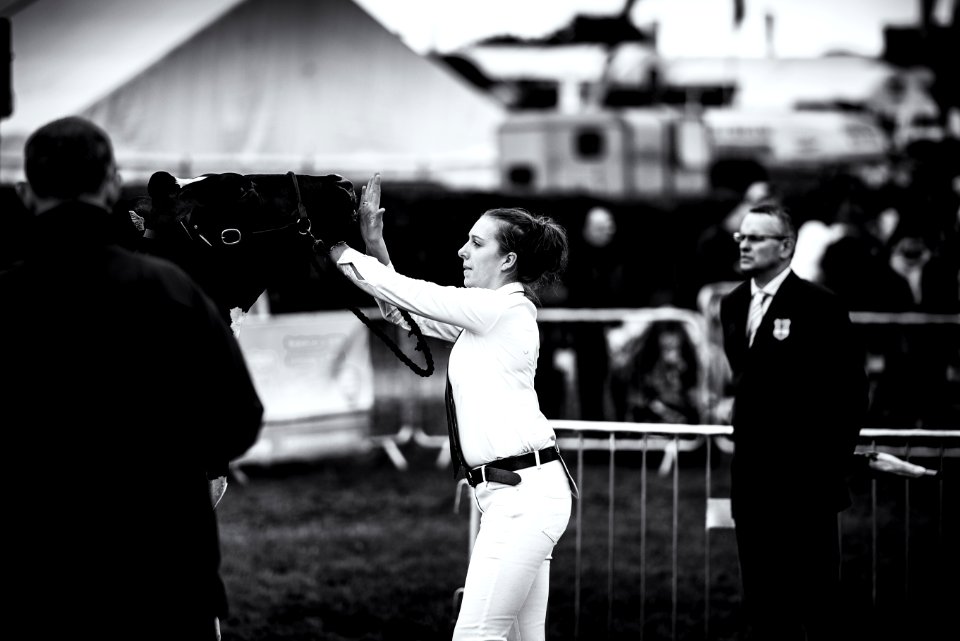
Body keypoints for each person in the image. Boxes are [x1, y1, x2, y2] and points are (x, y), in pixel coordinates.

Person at [0, 116, 264, 640]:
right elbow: (238, 422)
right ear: (112, 184)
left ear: (26, 194)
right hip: (164, 580)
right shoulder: (174, 290)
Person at [330, 174, 578, 641]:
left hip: (523, 501)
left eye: (475, 242)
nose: (462, 251)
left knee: (475, 636)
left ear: (507, 260)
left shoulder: (501, 309)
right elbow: (402, 312)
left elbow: (414, 295)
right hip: (519, 496)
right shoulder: (487, 314)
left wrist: (336, 249)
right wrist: (375, 243)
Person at [719, 203, 868, 641]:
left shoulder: (819, 305)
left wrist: (830, 464)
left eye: (756, 237)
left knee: (817, 600)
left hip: (806, 482)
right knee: (763, 603)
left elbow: (850, 392)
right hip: (751, 480)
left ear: (786, 247)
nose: (744, 244)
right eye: (741, 237)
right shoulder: (732, 304)